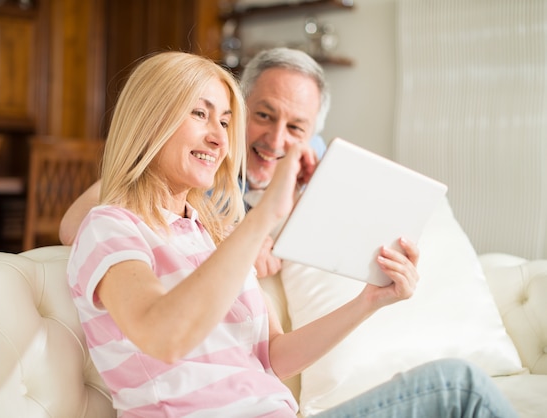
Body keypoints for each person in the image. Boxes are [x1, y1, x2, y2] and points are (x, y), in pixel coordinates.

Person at [67, 50, 517, 417]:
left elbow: (275, 357)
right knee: (460, 388)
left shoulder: (211, 235)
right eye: (200, 115)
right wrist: (263, 221)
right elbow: (163, 335)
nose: (220, 139)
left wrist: (369, 300)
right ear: (151, 120)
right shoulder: (111, 226)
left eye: (225, 122)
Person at [59, 47, 328, 279]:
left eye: (295, 127)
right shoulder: (195, 163)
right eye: (264, 116)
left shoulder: (313, 158)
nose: (276, 140)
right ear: (238, 109)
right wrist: (230, 238)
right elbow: (75, 223)